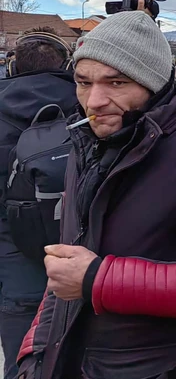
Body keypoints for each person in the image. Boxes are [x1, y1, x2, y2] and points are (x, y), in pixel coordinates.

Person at [16, 11, 176, 379]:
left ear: (152, 85)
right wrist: (34, 357)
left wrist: (97, 279)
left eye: (116, 82)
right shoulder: (88, 141)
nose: (94, 100)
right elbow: (68, 266)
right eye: (83, 82)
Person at [0, 30, 76, 379]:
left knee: (21, 360)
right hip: (78, 246)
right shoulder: (88, 102)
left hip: (13, 252)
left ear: (13, 67)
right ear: (67, 66)